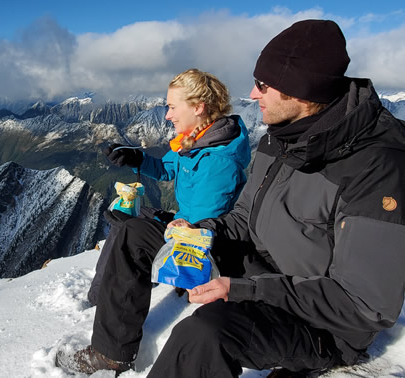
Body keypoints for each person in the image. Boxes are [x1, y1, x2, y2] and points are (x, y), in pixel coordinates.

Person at [58, 19, 405, 377]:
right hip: (258, 268)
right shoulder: (282, 138)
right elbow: (243, 215)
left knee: (201, 335)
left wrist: (245, 290)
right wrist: (198, 231)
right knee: (134, 233)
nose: (253, 95)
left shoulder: (378, 168)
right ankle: (110, 353)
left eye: (262, 84)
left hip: (319, 320)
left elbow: (365, 304)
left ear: (298, 89)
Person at [86, 68, 252, 306]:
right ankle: (102, 295)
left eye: (172, 107)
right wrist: (137, 160)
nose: (167, 115)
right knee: (123, 216)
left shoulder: (217, 162)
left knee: (130, 230)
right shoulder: (196, 141)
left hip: (203, 249)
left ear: (198, 107)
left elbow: (200, 227)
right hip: (188, 227)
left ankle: (105, 301)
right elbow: (166, 168)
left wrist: (156, 226)